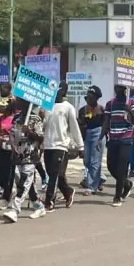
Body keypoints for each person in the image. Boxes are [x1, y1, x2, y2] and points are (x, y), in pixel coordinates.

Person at [37, 81, 83, 217]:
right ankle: (68, 192)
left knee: (54, 175)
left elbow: (74, 127)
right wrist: (41, 116)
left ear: (63, 92)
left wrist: (81, 146)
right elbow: (43, 126)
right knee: (54, 174)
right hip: (48, 145)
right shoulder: (47, 106)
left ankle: (49, 202)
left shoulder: (68, 108)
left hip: (61, 146)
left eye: (58, 90)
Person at [2, 98, 45, 223]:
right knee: (26, 182)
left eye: (20, 100)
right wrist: (13, 146)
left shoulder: (35, 119)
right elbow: (11, 133)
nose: (17, 102)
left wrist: (30, 132)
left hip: (30, 156)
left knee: (24, 181)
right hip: (18, 155)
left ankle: (15, 209)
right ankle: (38, 205)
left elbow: (40, 138)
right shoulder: (17, 118)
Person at [103, 84, 134, 207]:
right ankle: (126, 183)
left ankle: (117, 196)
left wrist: (130, 110)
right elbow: (106, 121)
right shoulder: (110, 103)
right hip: (113, 138)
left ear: (125, 89)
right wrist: (100, 137)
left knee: (122, 168)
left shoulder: (131, 102)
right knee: (111, 166)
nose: (118, 90)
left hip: (126, 139)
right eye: (116, 87)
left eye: (121, 88)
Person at [78, 85, 105, 194]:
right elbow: (80, 125)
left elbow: (105, 124)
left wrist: (101, 138)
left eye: (90, 97)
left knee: (95, 161)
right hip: (86, 135)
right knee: (87, 161)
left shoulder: (102, 109)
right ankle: (98, 179)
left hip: (98, 134)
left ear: (96, 98)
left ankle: (91, 187)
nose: (88, 100)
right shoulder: (82, 110)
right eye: (86, 98)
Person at [0, 103, 15, 209]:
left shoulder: (14, 119)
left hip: (10, 150)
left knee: (8, 175)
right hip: (0, 149)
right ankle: (7, 189)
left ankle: (7, 196)